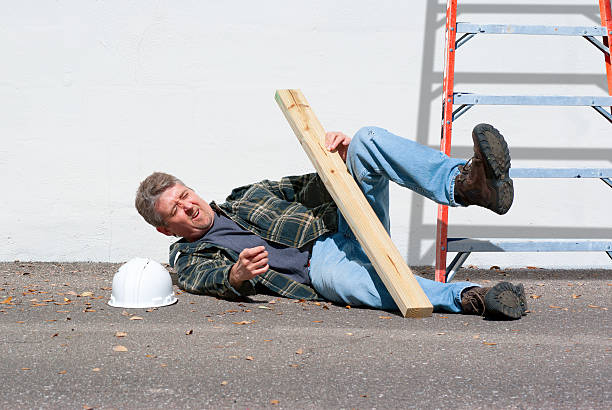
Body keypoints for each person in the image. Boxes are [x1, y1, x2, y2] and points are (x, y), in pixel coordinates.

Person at [135, 124, 527, 320]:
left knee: (365, 139)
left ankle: (467, 185)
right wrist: (236, 277)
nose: (188, 207)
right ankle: (470, 297)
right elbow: (204, 279)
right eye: (175, 211)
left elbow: (311, 185)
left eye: (185, 195)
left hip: (344, 225)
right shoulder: (188, 254)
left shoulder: (246, 196)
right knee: (345, 282)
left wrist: (339, 160)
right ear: (165, 228)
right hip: (320, 266)